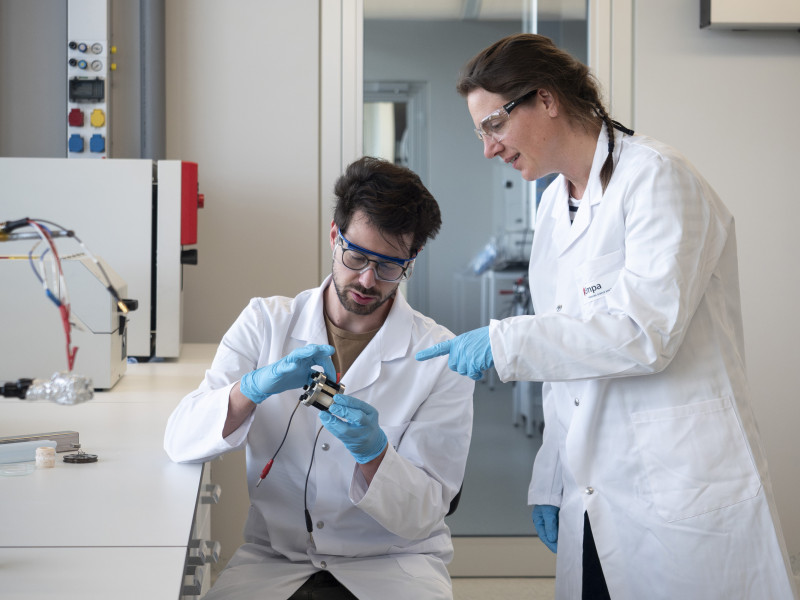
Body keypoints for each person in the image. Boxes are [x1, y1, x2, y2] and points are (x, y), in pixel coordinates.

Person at [416, 33, 798, 599]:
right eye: (481, 132)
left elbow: (644, 333)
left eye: (493, 124)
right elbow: (568, 360)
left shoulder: (657, 178)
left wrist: (504, 343)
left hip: (677, 483)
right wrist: (550, 475)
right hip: (591, 488)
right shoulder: (552, 205)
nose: (488, 148)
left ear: (544, 99)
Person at [165, 156, 474, 600]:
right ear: (334, 235)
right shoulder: (264, 323)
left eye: (389, 266)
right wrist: (250, 390)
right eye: (357, 256)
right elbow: (180, 439)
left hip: (392, 564)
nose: (368, 279)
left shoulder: (441, 357)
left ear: (412, 258)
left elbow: (426, 511)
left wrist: (374, 454)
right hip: (275, 559)